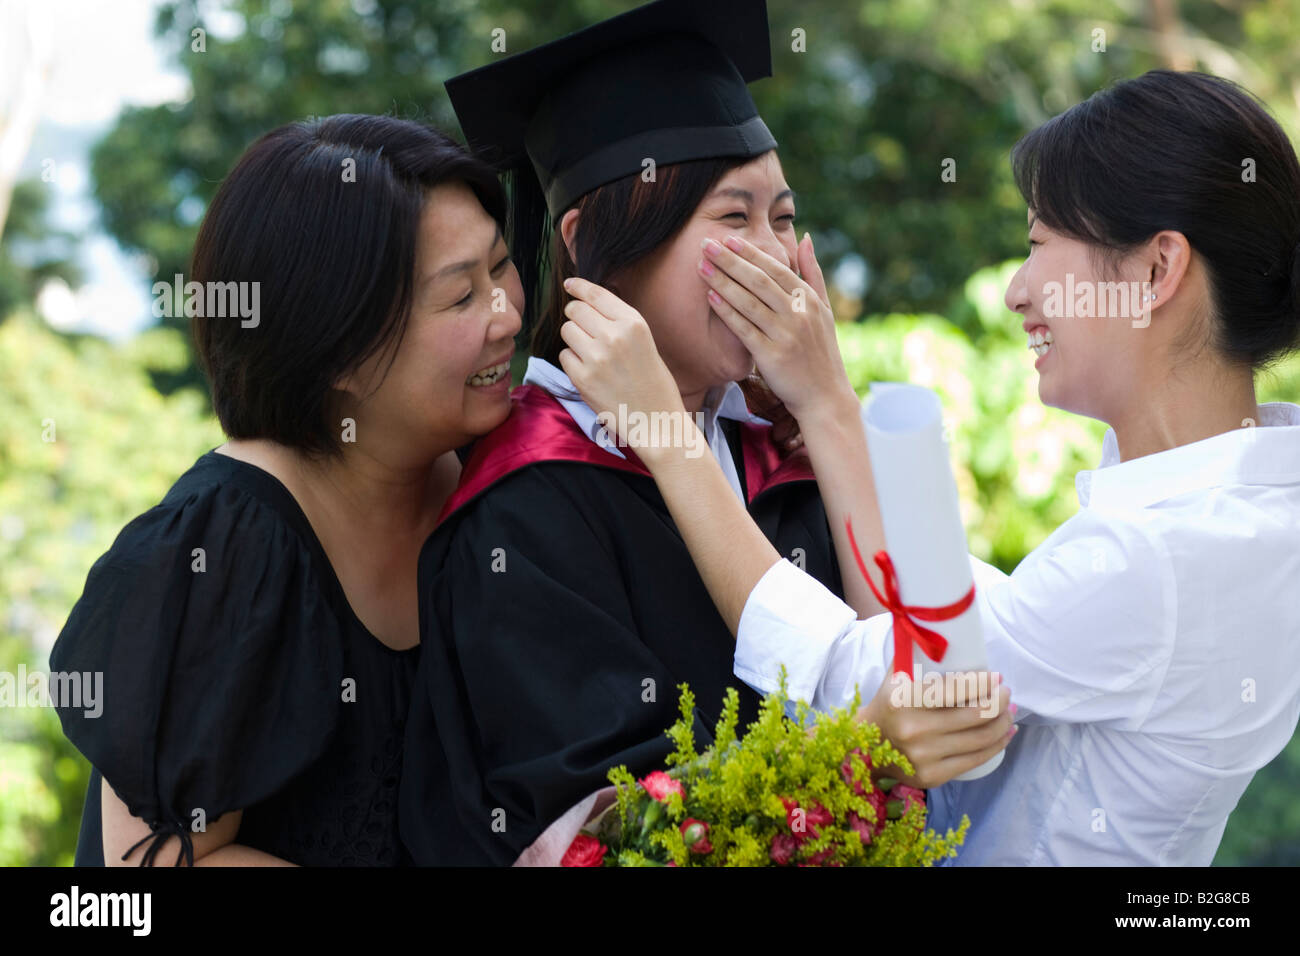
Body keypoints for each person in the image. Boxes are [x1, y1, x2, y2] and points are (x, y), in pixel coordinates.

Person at [561, 70, 1300, 865]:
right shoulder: (1245, 517)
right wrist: (826, 403)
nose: (1017, 289)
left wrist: (668, 435)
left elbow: (866, 670)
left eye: (1040, 241)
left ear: (1156, 272)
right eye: (735, 218)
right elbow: (934, 632)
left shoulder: (1160, 557)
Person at [398, 0, 1012, 866]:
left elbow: (939, 669)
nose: (772, 256)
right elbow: (600, 845)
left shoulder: (788, 450)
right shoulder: (526, 501)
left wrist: (829, 403)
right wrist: (851, 756)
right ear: (591, 244)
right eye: (733, 218)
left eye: (785, 220)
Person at [49, 115, 523, 865]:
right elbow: (165, 864)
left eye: (501, 268)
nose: (507, 315)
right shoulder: (223, 548)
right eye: (461, 297)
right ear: (340, 349)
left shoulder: (501, 477)